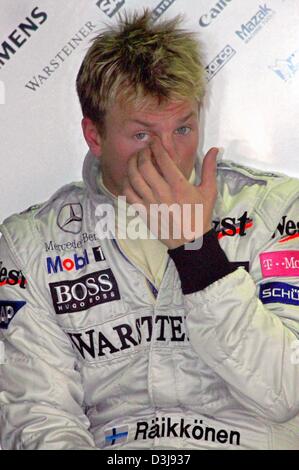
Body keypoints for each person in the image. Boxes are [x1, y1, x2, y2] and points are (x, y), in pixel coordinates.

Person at [0, 10, 299, 450]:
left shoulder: (276, 210)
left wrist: (197, 254)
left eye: (183, 128)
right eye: (142, 135)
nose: (168, 156)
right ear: (95, 135)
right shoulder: (29, 245)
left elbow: (287, 391)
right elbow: (39, 418)